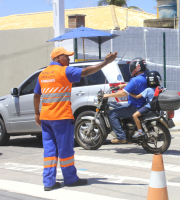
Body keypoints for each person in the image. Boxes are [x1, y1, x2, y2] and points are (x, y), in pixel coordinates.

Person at [33, 47, 117, 191]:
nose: (70, 59)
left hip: (46, 118)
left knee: (49, 150)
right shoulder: (64, 71)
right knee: (65, 149)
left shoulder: (43, 74)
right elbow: (85, 72)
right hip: (61, 117)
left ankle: (48, 182)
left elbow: (36, 95)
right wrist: (105, 63)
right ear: (59, 58)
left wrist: (36, 114)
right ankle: (71, 179)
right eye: (67, 56)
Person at [103, 57, 148, 144]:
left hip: (135, 107)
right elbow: (136, 86)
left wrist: (108, 95)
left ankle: (121, 137)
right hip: (142, 105)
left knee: (112, 113)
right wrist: (124, 85)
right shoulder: (144, 78)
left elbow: (123, 94)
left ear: (137, 68)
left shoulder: (135, 80)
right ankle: (128, 131)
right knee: (120, 107)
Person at [130, 71, 162, 138]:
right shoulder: (160, 88)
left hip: (149, 107)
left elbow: (137, 96)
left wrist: (128, 92)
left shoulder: (148, 90)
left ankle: (140, 131)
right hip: (157, 107)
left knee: (135, 115)